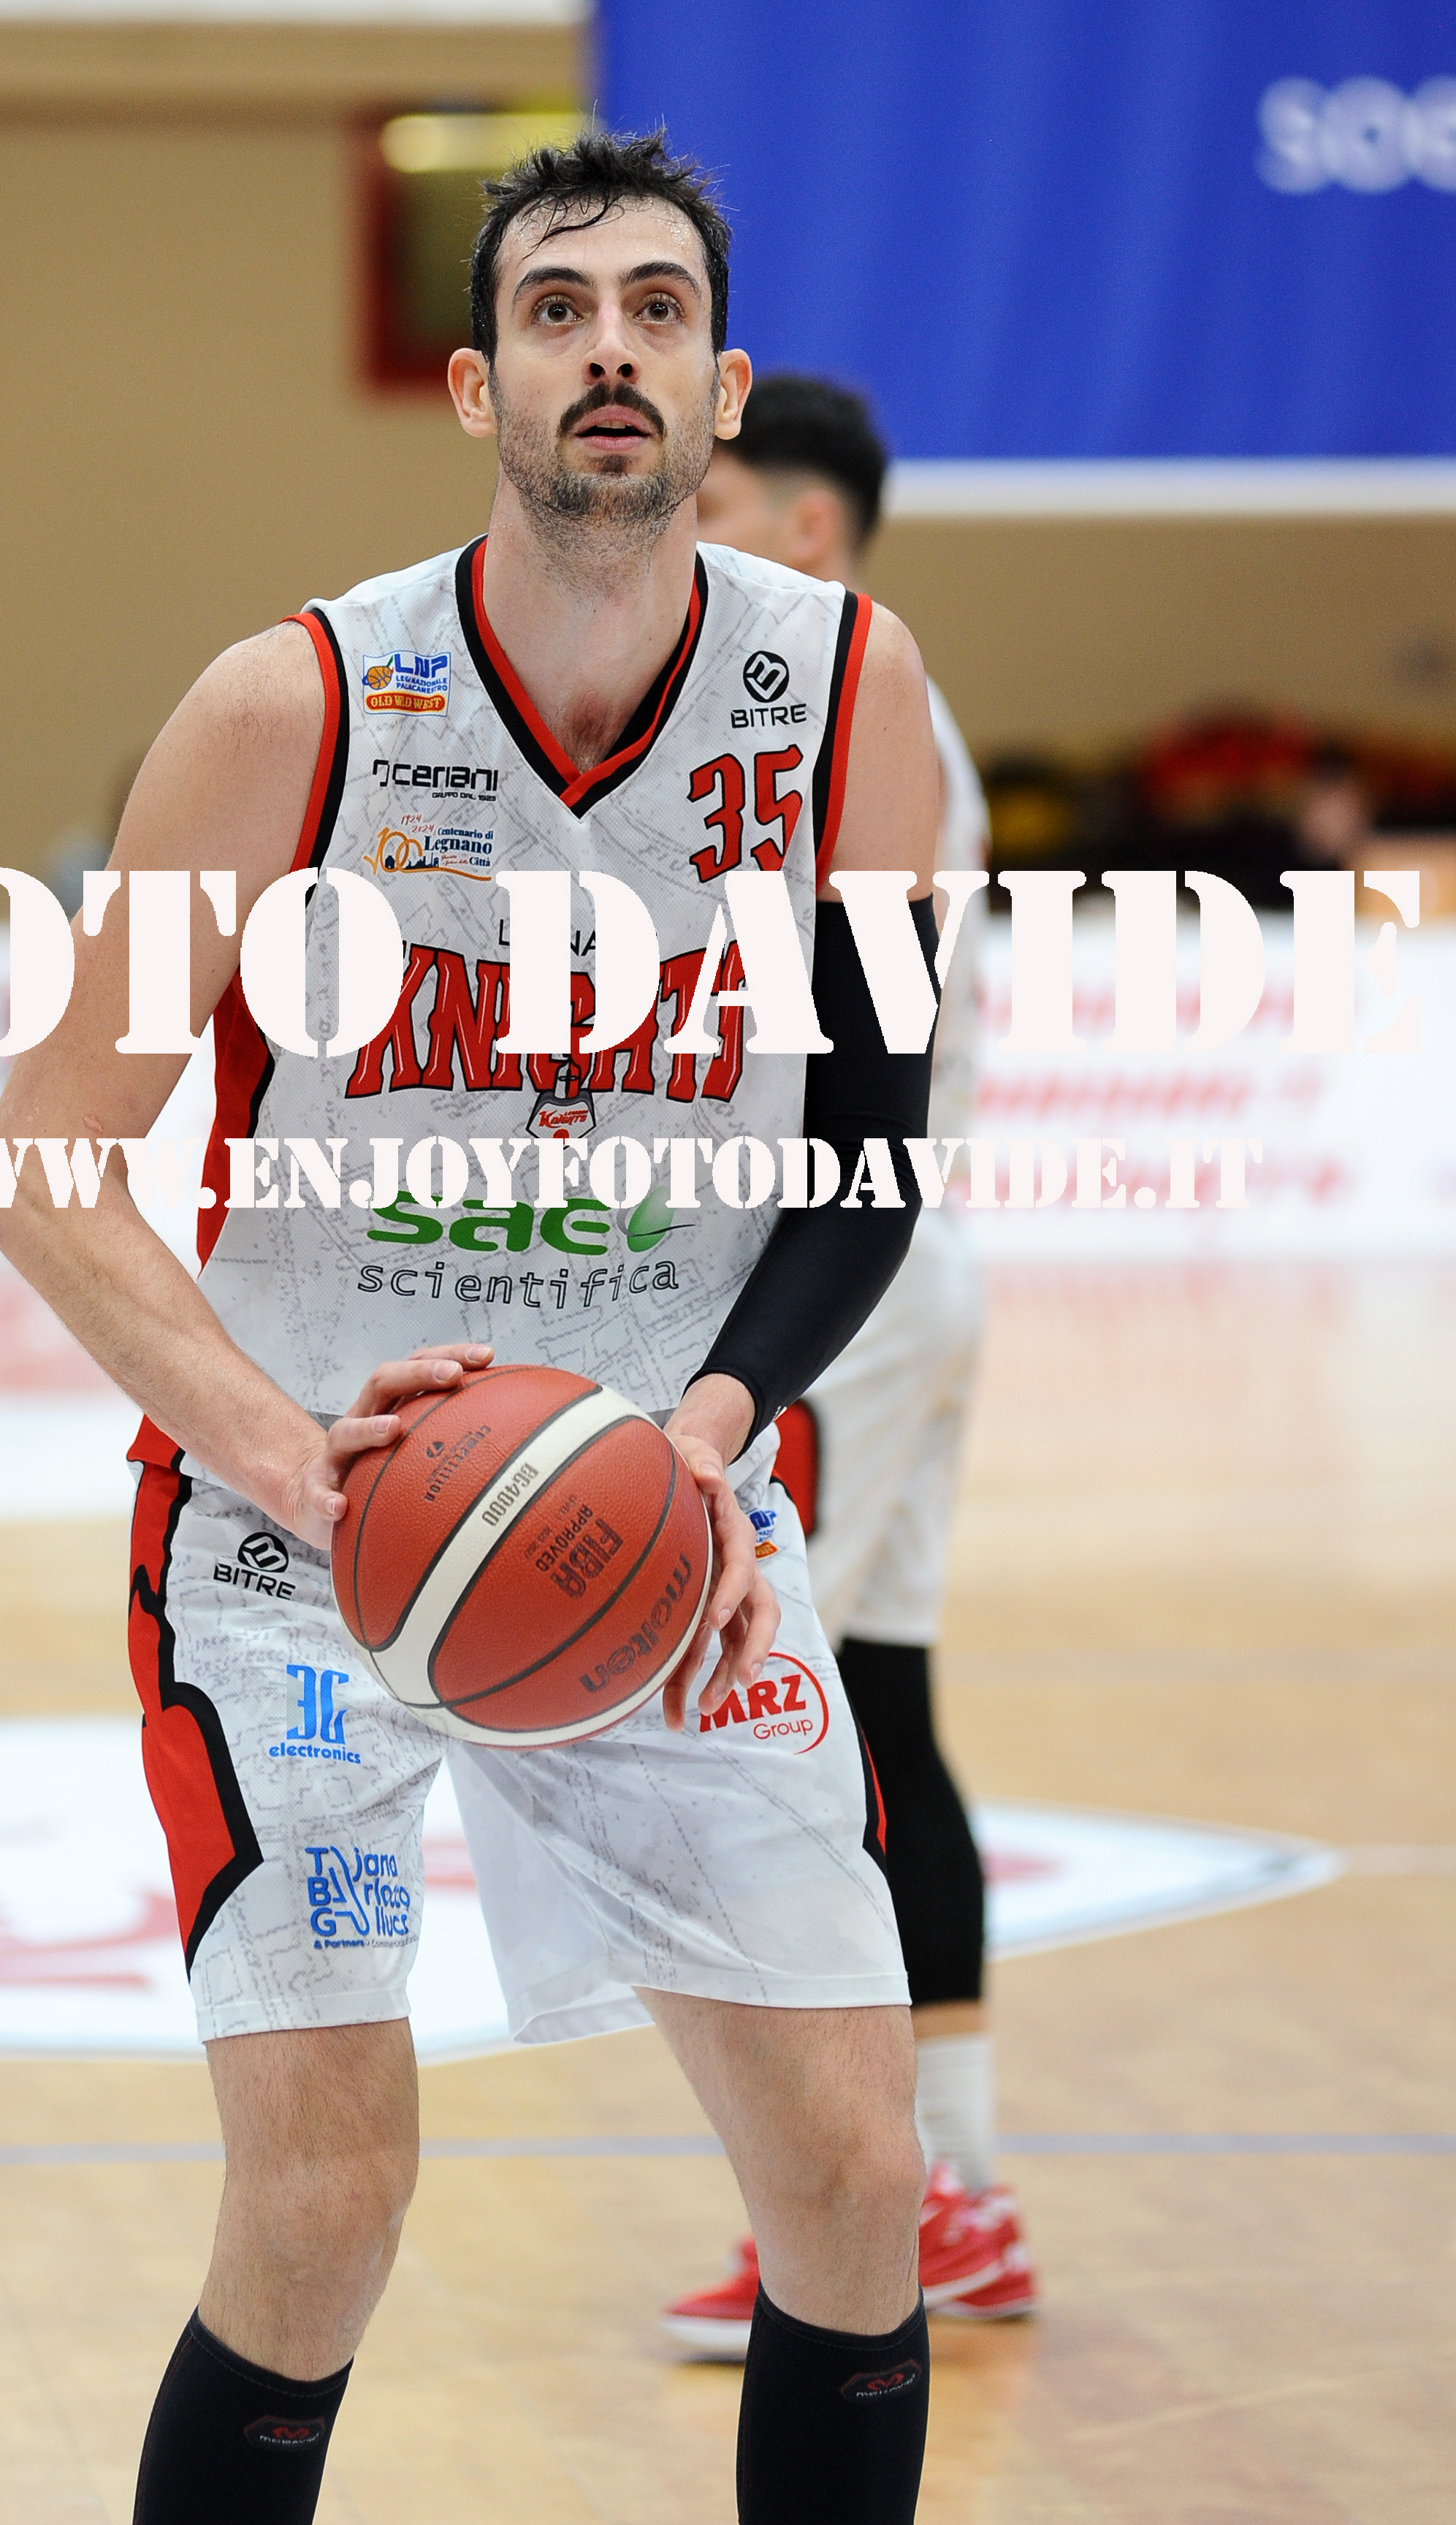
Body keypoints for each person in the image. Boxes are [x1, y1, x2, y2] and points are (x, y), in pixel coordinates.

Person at [0, 132, 945, 2524]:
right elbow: (43, 1161)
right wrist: (288, 1456)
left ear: (722, 389)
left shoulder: (849, 688)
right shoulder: (290, 704)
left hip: (662, 1515)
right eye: (554, 310)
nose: (606, 350)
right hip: (291, 1538)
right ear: (472, 383)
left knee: (853, 2178)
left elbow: (867, 1149)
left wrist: (708, 1431)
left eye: (653, 311)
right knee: (321, 2206)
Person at [661, 376, 1034, 2355]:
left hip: (844, 1284)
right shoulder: (873, 715)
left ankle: (875, 2196)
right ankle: (951, 2188)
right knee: (883, 1717)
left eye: (715, 503)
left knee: (792, 1746)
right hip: (895, 1270)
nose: (683, 533)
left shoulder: (844, 721)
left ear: (806, 529)